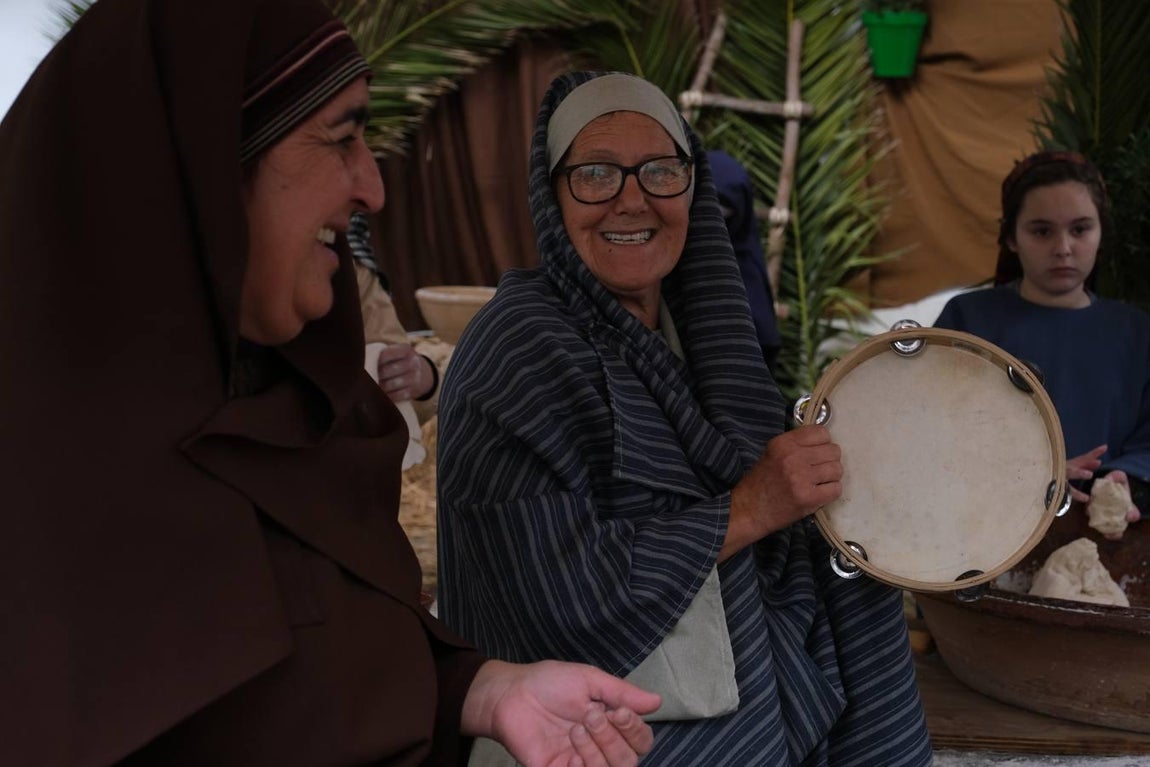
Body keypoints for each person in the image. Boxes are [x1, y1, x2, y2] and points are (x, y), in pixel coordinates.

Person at [0, 2, 661, 764]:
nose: (373, 189)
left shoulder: (309, 421)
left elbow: (330, 669)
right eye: (341, 138)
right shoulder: (43, 504)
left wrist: (479, 688)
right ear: (206, 172)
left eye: (663, 173)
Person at [436, 71, 932, 766]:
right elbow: (554, 590)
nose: (632, 198)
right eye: (597, 173)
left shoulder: (700, 337)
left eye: (661, 171)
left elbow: (780, 520)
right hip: (577, 719)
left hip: (726, 668)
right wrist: (752, 507)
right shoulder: (516, 353)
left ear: (692, 188)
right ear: (552, 197)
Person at [934, 151, 1149, 533]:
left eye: (1080, 229)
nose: (1063, 248)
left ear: (1101, 233)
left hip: (1104, 538)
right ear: (1012, 239)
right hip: (980, 534)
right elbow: (931, 429)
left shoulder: (1136, 331)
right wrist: (1030, 474)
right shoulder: (967, 319)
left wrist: (1123, 480)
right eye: (1042, 231)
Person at [707, 149, 782, 371]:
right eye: (707, 210)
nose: (715, 222)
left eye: (724, 211)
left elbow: (764, 341)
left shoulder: (746, 270)